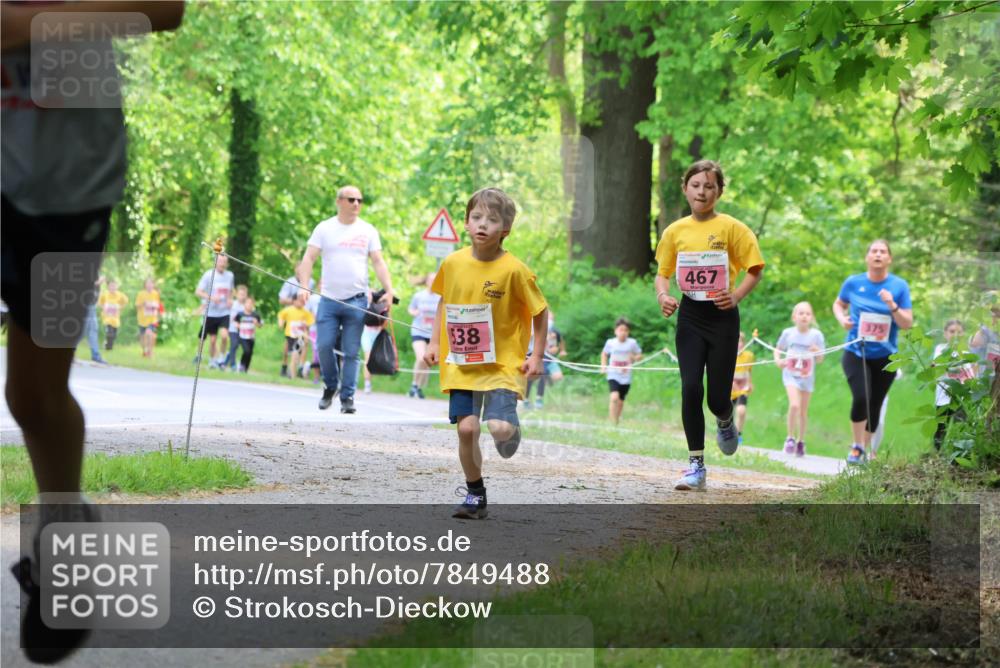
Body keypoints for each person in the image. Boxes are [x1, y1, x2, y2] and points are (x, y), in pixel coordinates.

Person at [1, 2, 185, 662]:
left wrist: (28, 23)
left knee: (33, 397)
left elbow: (166, 9)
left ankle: (64, 542)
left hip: (66, 188)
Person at [424, 187, 547, 520]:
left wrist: (537, 355)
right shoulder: (452, 263)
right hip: (461, 361)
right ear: (465, 222)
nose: (482, 225)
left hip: (502, 363)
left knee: (500, 431)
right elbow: (443, 302)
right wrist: (434, 343)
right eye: (476, 217)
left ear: (504, 230)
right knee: (466, 429)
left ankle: (512, 427)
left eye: (492, 220)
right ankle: (475, 493)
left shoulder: (515, 270)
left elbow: (540, 310)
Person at [654, 160, 765, 491]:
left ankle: (725, 418)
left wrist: (736, 296)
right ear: (685, 188)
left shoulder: (732, 227)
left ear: (719, 191)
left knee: (718, 397)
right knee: (690, 387)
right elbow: (662, 273)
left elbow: (755, 268)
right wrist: (664, 296)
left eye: (709, 186)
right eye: (696, 185)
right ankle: (696, 465)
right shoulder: (674, 231)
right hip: (690, 315)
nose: (702, 191)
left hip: (722, 316)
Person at [297, 185, 395, 414]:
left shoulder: (368, 230)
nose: (356, 204)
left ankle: (348, 397)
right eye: (351, 200)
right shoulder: (324, 228)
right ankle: (330, 386)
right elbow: (309, 257)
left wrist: (389, 289)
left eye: (360, 200)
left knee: (352, 351)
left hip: (357, 301)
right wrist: (304, 286)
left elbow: (378, 261)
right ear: (339, 201)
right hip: (329, 300)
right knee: (324, 345)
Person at [833, 239, 913, 464]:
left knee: (875, 404)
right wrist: (842, 319)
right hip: (856, 351)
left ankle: (865, 450)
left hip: (886, 356)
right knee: (861, 397)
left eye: (883, 251)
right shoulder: (853, 282)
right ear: (867, 257)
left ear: (889, 259)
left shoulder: (899, 286)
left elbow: (907, 323)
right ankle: (856, 446)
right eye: (874, 251)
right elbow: (839, 304)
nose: (878, 254)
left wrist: (892, 305)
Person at [774, 302, 825, 457]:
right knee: (794, 405)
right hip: (790, 374)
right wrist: (778, 361)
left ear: (811, 317)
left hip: (807, 376)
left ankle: (801, 441)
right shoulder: (788, 333)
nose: (804, 316)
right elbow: (778, 349)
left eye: (808, 314)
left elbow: (821, 359)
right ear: (794, 317)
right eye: (801, 313)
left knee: (803, 411)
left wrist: (817, 351)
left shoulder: (816, 335)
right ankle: (789, 438)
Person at [932, 320, 975, 451]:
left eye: (959, 332)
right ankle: (937, 453)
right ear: (945, 333)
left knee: (961, 424)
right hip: (944, 395)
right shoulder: (941, 349)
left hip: (961, 396)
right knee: (941, 426)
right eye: (951, 331)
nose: (955, 335)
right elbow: (938, 364)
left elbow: (970, 373)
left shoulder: (967, 352)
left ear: (963, 334)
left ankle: (958, 453)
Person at [195, 254, 235, 369]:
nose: (222, 264)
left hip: (224, 312)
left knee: (224, 336)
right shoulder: (209, 274)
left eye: (224, 262)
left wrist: (230, 299)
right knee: (212, 340)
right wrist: (212, 298)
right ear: (216, 262)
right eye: (220, 261)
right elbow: (198, 291)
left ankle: (221, 358)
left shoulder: (230, 275)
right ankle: (212, 361)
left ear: (227, 263)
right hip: (211, 312)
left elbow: (231, 291)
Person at [600, 318, 642, 425]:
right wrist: (603, 366)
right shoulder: (611, 342)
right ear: (616, 331)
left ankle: (616, 421)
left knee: (620, 401)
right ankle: (611, 421)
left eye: (626, 330)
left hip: (626, 375)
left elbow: (639, 356)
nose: (623, 332)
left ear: (628, 332)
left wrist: (634, 357)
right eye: (620, 330)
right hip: (613, 374)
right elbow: (604, 354)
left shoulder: (632, 343)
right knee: (614, 397)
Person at [408, 272, 440, 399]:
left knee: (427, 361)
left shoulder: (440, 297)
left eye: (435, 280)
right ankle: (414, 385)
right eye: (431, 280)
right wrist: (414, 312)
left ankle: (419, 388)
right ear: (426, 281)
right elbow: (410, 309)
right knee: (421, 358)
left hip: (433, 334)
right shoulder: (419, 296)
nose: (432, 282)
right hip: (418, 331)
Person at [525, 310, 566, 410]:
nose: (550, 320)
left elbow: (558, 343)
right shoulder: (532, 327)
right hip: (532, 356)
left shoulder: (554, 332)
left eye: (551, 318)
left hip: (548, 359)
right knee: (531, 377)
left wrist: (560, 350)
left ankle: (539, 398)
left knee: (553, 376)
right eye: (549, 318)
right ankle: (526, 399)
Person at [279, 273, 315, 377]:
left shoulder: (305, 312)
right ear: (293, 301)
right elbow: (281, 316)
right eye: (299, 301)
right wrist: (281, 323)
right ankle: (289, 370)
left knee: (296, 353)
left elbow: (310, 322)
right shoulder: (289, 310)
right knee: (289, 352)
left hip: (300, 337)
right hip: (289, 335)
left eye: (303, 301)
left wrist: (306, 330)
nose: (301, 303)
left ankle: (294, 373)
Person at [730, 331, 754, 445]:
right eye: (736, 341)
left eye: (740, 341)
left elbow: (748, 371)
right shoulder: (726, 354)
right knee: (727, 414)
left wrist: (750, 383)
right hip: (729, 390)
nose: (738, 344)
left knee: (741, 411)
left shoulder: (749, 356)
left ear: (744, 343)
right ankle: (726, 433)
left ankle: (738, 434)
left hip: (742, 389)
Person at [97, 279, 129, 351]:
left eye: (114, 286)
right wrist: (103, 307)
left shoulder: (120, 295)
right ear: (108, 286)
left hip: (115, 318)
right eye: (111, 286)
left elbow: (126, 301)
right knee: (110, 333)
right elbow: (99, 303)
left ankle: (106, 343)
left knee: (114, 335)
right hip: (107, 317)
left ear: (117, 287)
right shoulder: (105, 294)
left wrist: (120, 307)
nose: (113, 287)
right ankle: (108, 348)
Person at [233, 297, 263, 373]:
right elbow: (235, 321)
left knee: (250, 353)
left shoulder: (255, 315)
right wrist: (237, 325)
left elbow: (260, 325)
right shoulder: (240, 314)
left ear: (253, 305)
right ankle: (242, 365)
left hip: (251, 337)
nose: (249, 305)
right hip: (242, 336)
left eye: (251, 303)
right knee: (246, 350)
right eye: (247, 303)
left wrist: (257, 323)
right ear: (244, 304)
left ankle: (245, 368)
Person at [222, 284, 248, 371]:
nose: (242, 296)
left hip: (242, 331)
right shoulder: (233, 304)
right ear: (237, 295)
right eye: (240, 294)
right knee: (234, 344)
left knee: (235, 347)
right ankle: (233, 365)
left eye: (244, 295)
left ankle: (224, 363)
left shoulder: (246, 306)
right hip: (232, 329)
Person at [135, 278, 162, 358]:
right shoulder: (140, 294)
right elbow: (137, 306)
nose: (149, 285)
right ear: (145, 285)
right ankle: (144, 350)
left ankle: (150, 352)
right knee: (143, 337)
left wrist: (157, 311)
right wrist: (143, 304)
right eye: (148, 283)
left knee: (149, 334)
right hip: (142, 319)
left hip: (152, 319)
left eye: (151, 283)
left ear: (153, 285)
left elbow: (158, 305)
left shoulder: (156, 294)